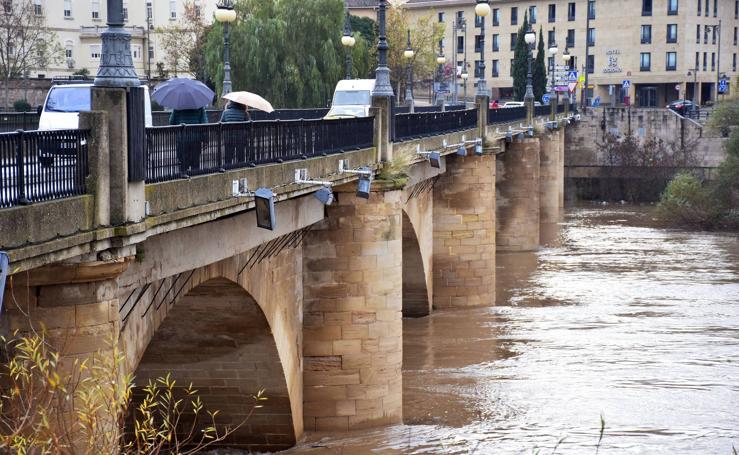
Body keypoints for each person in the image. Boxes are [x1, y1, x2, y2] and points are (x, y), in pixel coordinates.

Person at [169, 106, 208, 175]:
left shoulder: (177, 107)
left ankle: (183, 181)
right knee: (195, 164)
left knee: (183, 164)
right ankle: (195, 181)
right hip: (195, 139)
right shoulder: (199, 107)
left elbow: (171, 122)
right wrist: (205, 140)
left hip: (182, 139)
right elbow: (204, 124)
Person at [220, 101, 249, 166]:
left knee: (228, 156)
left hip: (228, 137)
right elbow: (248, 126)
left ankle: (228, 168)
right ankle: (241, 168)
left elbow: (221, 124)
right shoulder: (244, 113)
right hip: (240, 137)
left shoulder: (225, 112)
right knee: (241, 156)